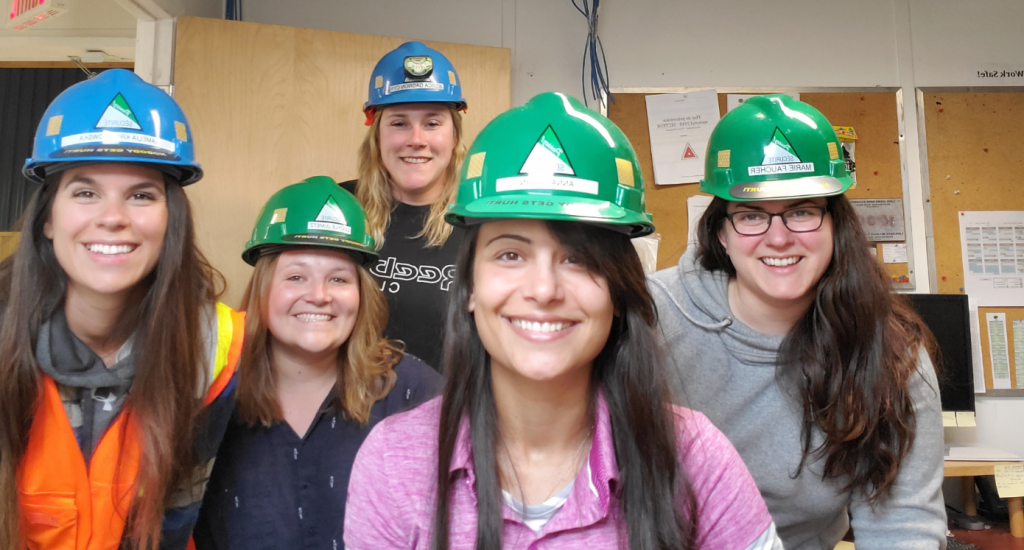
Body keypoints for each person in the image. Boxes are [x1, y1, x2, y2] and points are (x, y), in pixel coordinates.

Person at [344, 92, 783, 550]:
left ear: (618, 290)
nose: (544, 289)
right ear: (470, 287)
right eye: (510, 254)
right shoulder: (395, 463)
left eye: (578, 258)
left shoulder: (694, 457)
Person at [648, 94, 946, 549]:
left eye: (802, 211)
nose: (780, 237)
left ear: (835, 226)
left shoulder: (889, 353)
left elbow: (901, 527)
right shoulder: (649, 316)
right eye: (751, 216)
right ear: (721, 234)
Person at [0, 68, 243, 550]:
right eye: (86, 192)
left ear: (171, 220)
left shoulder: (215, 347)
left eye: (141, 195)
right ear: (48, 218)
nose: (112, 217)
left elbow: (179, 517)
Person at [192, 177, 442, 549]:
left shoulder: (416, 392)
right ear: (263, 288)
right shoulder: (210, 386)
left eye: (339, 279)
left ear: (361, 294)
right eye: (296, 277)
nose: (319, 296)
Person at [341, 41, 467, 371]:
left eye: (432, 122)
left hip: (455, 414)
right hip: (354, 411)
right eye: (399, 123)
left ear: (454, 136)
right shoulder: (340, 210)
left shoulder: (481, 220)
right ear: (377, 136)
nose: (416, 139)